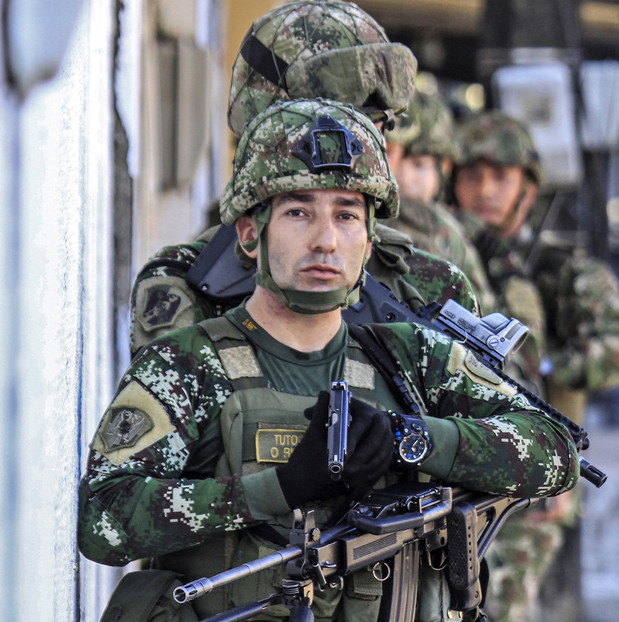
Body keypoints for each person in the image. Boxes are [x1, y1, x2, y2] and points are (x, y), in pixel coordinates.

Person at [78, 99, 580, 621]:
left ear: (369, 240)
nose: (325, 240)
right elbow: (103, 518)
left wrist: (411, 439)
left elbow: (556, 451)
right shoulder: (188, 365)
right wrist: (278, 490)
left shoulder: (411, 357)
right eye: (298, 212)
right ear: (250, 233)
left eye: (346, 215)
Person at [129, 0, 482, 357]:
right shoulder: (185, 286)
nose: (373, 149)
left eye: (377, 128)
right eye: (345, 132)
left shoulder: (431, 285)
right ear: (270, 128)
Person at [450, 111, 619, 622]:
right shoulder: (442, 259)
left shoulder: (560, 269)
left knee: (500, 605)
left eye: (500, 176)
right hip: (458, 461)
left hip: (538, 471)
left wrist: (542, 366)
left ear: (528, 190)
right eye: (472, 176)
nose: (484, 190)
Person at [383, 89, 497, 312]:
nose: (405, 178)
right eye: (395, 157)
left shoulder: (444, 229)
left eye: (419, 164)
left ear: (444, 168)